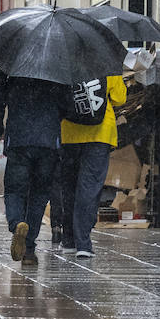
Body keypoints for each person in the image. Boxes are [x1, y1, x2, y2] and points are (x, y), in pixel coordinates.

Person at [0, 71, 73, 265]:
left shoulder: (12, 64)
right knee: (39, 193)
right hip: (48, 141)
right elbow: (68, 106)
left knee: (14, 190)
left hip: (19, 138)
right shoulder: (57, 65)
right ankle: (28, 250)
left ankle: (17, 223)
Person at [59, 75, 128, 258]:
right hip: (99, 134)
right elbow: (120, 98)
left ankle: (68, 239)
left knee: (69, 187)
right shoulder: (107, 63)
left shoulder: (66, 60)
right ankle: (83, 243)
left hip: (69, 132)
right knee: (89, 188)